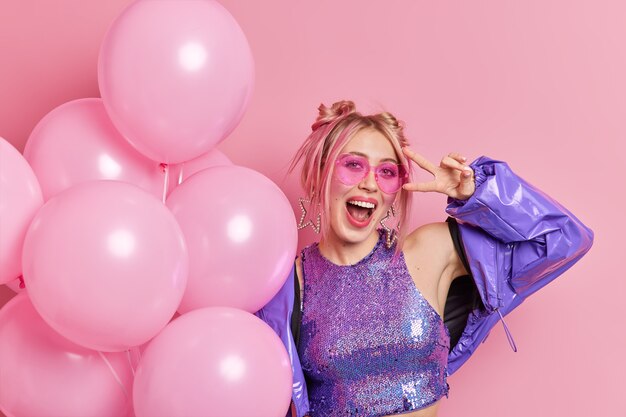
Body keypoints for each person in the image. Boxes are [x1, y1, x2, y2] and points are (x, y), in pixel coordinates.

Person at [256, 100, 593, 417]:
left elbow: (565, 239)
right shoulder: (286, 286)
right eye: (353, 165)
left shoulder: (428, 252)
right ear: (318, 176)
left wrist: (477, 194)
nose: (370, 183)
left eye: (387, 172)